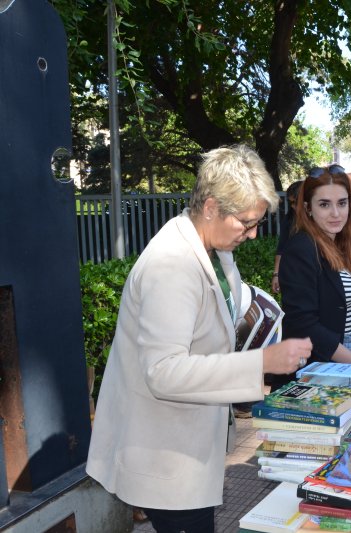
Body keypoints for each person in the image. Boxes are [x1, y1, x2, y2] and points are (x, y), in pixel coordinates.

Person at [85, 145, 313, 533]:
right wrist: (262, 362)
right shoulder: (171, 265)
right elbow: (164, 372)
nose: (253, 233)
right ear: (210, 207)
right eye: (246, 222)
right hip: (166, 461)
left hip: (183, 449)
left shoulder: (209, 247)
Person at [277, 165, 351, 391]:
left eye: (342, 203)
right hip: (323, 364)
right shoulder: (301, 249)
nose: (336, 213)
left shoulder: (343, 245)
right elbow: (304, 324)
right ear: (307, 208)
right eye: (324, 204)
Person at [271, 180, 303, 293]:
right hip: (293, 275)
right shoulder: (289, 219)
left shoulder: (319, 218)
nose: (293, 207)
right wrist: (276, 274)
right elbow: (281, 248)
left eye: (296, 202)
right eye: (291, 203)